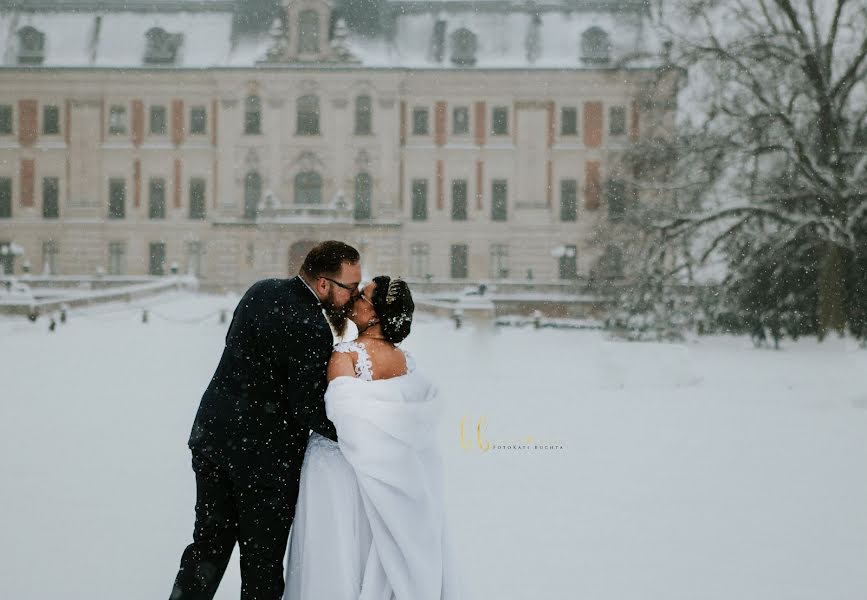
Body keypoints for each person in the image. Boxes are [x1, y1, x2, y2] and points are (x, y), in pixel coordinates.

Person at [169, 241, 362, 600]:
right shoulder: (311, 327)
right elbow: (306, 407)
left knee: (207, 549)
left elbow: (235, 347)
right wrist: (356, 434)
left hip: (213, 441)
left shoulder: (261, 290)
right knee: (262, 566)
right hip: (264, 464)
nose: (354, 296)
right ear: (323, 284)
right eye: (350, 288)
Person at [284, 276, 462, 600]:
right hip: (387, 472)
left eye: (363, 297)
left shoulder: (345, 355)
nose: (355, 299)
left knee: (336, 555)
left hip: (338, 471)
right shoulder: (407, 361)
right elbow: (404, 422)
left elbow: (343, 418)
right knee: (370, 548)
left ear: (376, 314)